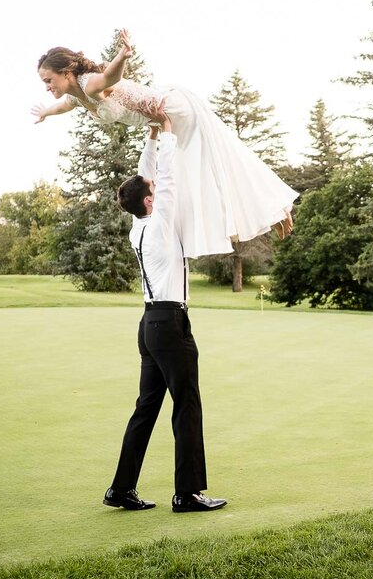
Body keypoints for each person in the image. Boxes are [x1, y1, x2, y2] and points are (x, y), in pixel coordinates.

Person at [32, 30, 297, 256]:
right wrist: (45, 112)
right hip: (163, 119)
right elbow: (62, 107)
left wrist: (122, 56)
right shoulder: (75, 96)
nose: (47, 86)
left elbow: (110, 79)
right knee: (200, 172)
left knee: (209, 167)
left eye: (48, 80)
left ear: (66, 73)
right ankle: (271, 211)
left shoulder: (88, 84)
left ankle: (272, 209)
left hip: (171, 110)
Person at [102, 113, 227, 513]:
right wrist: (168, 134)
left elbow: (146, 179)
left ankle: (121, 489)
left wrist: (152, 136)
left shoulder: (138, 226)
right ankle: (187, 493)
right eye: (153, 191)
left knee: (146, 408)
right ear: (150, 201)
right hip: (170, 325)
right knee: (186, 403)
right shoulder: (158, 223)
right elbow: (166, 181)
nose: (157, 189)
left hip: (149, 325)